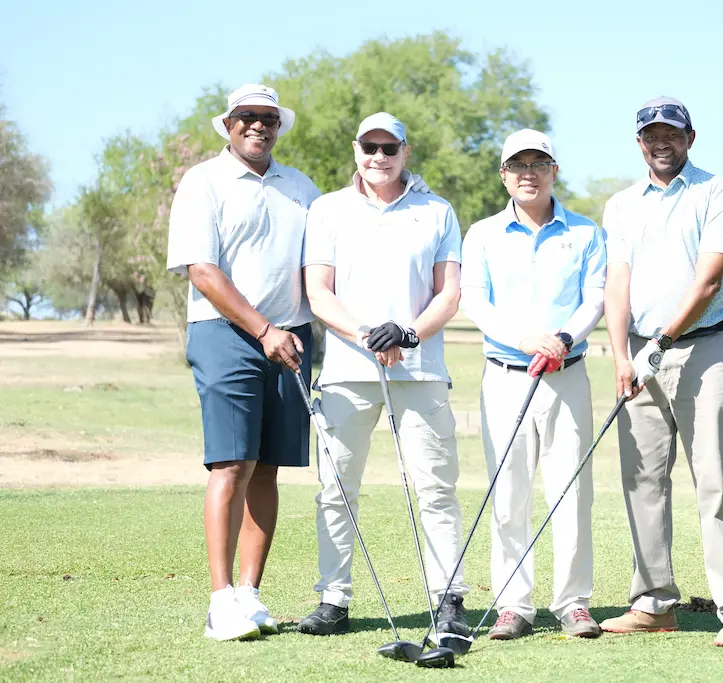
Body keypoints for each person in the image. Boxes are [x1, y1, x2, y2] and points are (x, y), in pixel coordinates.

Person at [598, 96, 723, 647]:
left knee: (715, 479)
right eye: (650, 135)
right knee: (642, 479)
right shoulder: (620, 205)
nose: (660, 142)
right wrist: (623, 354)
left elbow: (708, 282)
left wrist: (662, 342)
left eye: (671, 133)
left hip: (703, 350)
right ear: (639, 143)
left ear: (690, 138)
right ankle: (653, 603)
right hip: (639, 355)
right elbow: (616, 283)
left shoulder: (717, 192)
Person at [298, 112, 470, 637]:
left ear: (405, 151)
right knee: (336, 488)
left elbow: (450, 292)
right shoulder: (327, 210)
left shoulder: (436, 211)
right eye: (369, 147)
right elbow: (319, 292)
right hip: (348, 371)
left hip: (420, 371)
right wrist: (370, 335)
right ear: (355, 150)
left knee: (436, 489)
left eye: (388, 148)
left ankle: (449, 598)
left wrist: (409, 334)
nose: (378, 157)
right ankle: (334, 600)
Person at [166, 84, 319, 641]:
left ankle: (251, 595)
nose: (258, 125)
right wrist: (263, 329)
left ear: (279, 126)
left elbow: (321, 263)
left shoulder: (300, 187)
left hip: (293, 337)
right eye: (246, 117)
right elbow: (201, 272)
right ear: (228, 125)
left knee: (269, 466)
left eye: (268, 118)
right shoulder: (202, 181)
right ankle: (219, 599)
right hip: (226, 333)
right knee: (231, 464)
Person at [461, 129, 607, 640]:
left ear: (553, 172)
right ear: (503, 175)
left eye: (538, 163)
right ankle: (513, 605)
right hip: (505, 375)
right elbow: (475, 303)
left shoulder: (586, 233)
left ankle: (573, 602)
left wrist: (562, 338)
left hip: (567, 373)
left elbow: (595, 299)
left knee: (571, 491)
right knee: (509, 494)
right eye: (517, 164)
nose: (528, 172)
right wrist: (528, 340)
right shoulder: (481, 234)